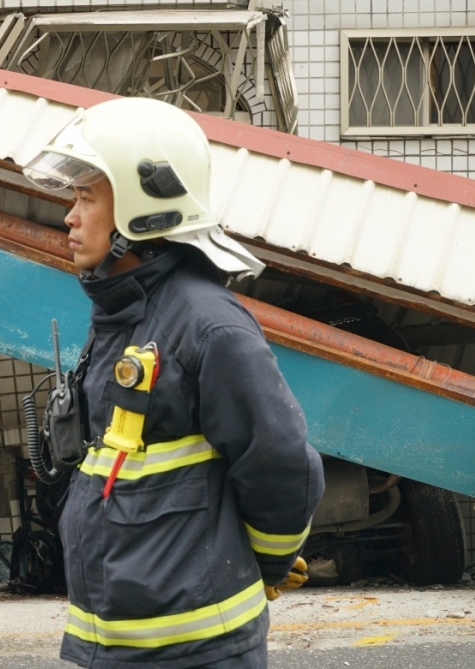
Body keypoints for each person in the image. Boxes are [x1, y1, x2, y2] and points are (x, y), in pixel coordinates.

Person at [22, 97, 325, 668]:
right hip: (116, 647)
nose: (70, 216)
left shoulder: (207, 325)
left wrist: (268, 564)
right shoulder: (123, 316)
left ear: (143, 211)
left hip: (197, 652)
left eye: (87, 197)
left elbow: (282, 462)